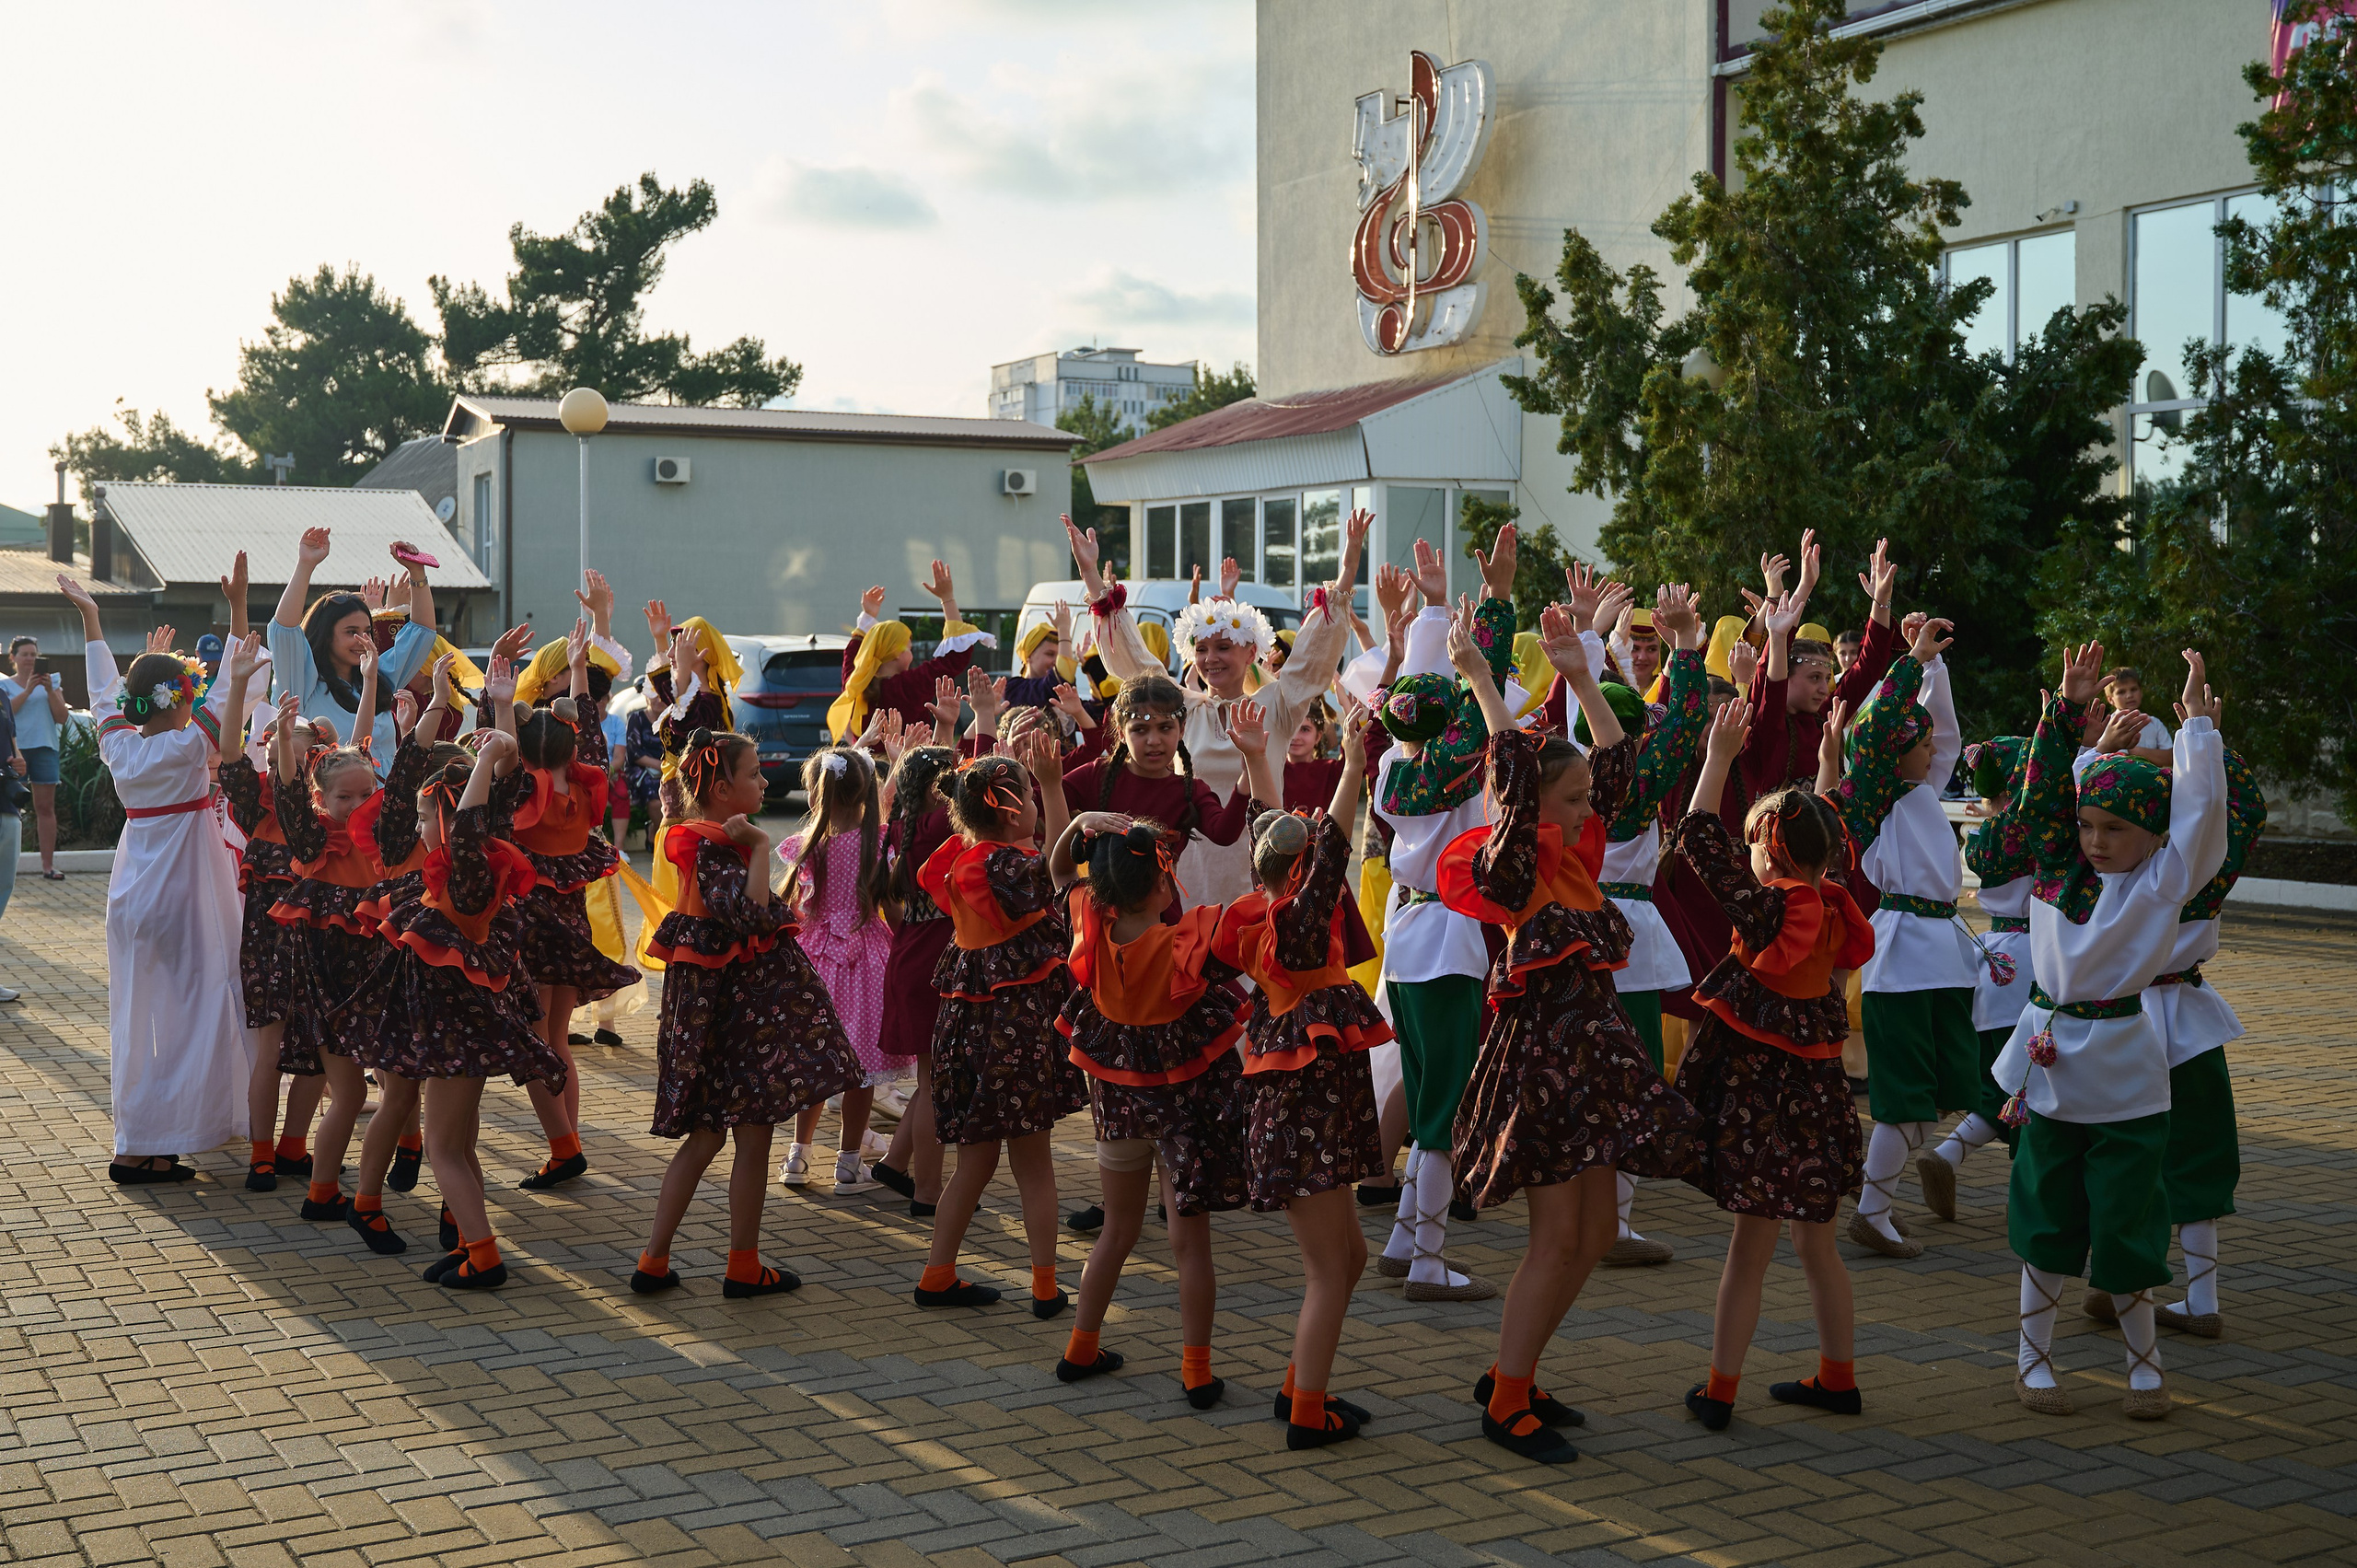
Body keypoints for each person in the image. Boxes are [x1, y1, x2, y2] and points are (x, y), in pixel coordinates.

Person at [1436, 598, 1701, 1462]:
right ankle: (1505, 1397)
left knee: (1591, 1236)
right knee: (1555, 1239)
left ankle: (1521, 1372)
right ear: (1533, 807)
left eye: (1588, 800)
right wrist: (1481, 678)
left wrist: (1584, 678)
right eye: (1574, 799)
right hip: (1542, 1072)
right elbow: (1514, 772)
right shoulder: (1511, 866)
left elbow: (1619, 768)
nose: (1593, 811)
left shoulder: (1579, 859)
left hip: (1588, 1066)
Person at [1990, 645, 2226, 1420]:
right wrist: (2066, 711)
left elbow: (2202, 821)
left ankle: (2145, 1364)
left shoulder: (2163, 881)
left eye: (2114, 827)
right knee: (2047, 1214)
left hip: (2126, 1063)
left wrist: (2195, 732)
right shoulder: (2058, 865)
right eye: (2087, 822)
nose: (2094, 838)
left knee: (2127, 1220)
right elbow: (2039, 801)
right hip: (2052, 1061)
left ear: (2152, 835)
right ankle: (2032, 1359)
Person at [1671, 703, 1875, 1433]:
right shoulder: (1828, 898)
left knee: (1747, 1250)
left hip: (1763, 1113)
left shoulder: (1768, 910)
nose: (1747, 853)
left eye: (1755, 842)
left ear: (1772, 851)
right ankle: (1837, 1375)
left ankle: (1720, 1388)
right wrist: (1827, 766)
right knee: (1817, 1247)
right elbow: (1824, 828)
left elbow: (1696, 837)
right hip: (1819, 1104)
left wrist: (1718, 759)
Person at [1367, 532, 1544, 1305]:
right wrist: (1496, 602)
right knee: (1442, 1103)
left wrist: (1439, 612)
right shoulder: (1447, 759)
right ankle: (1432, 1257)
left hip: (1408, 940)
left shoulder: (1392, 765)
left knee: (1424, 1083)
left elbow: (1431, 693)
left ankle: (1407, 1236)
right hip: (1444, 941)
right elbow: (1482, 718)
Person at [633, 728, 864, 1300]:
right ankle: (737, 1264)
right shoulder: (717, 847)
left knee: (710, 1139)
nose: (764, 781)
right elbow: (753, 913)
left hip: (720, 1023)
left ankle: (658, 1260)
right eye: (754, 774)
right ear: (720, 787)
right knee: (748, 1140)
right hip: (739, 1028)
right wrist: (761, 848)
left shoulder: (704, 842)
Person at [1210, 767, 1393, 1451]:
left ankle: (1300, 1384)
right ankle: (1308, 1413)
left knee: (1349, 1258)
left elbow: (1271, 833)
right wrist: (1350, 761)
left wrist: (1260, 763)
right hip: (1300, 1124)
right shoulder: (1295, 925)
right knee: (1328, 1270)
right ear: (1307, 874)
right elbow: (1332, 848)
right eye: (1317, 867)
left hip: (1316, 1121)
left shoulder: (1268, 909)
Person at [1047, 812, 1253, 1404]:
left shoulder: (1090, 917)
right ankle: (1195, 1370)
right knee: (1191, 1246)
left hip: (1117, 1106)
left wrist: (1080, 822)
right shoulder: (1183, 941)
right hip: (1183, 1115)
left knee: (1116, 1231)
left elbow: (1060, 869)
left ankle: (1082, 1347)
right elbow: (1252, 919)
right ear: (1164, 886)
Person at [1066, 510, 1364, 909]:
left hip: (1264, 861)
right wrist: (1092, 578)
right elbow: (1136, 665)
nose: (1211, 659)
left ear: (1251, 651)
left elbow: (1313, 656)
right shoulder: (1180, 707)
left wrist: (1346, 572)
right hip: (1189, 868)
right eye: (1202, 649)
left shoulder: (1275, 702)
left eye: (1223, 647)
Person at [63, 575, 254, 1183]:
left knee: (136, 1015)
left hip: (131, 889)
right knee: (196, 1009)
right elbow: (233, 692)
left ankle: (137, 1143)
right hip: (187, 888)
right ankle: (176, 1132)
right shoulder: (190, 746)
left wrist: (94, 621)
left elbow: (102, 690)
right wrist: (237, 609)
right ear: (180, 700)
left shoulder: (120, 746)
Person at [2082, 735, 2263, 1342]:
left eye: (2112, 825)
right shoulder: (2196, 873)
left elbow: (2051, 813)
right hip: (2188, 1022)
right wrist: (2204, 745)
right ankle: (2200, 1294)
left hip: (2120, 1024)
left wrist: (2096, 755)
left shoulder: (2092, 875)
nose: (2098, 839)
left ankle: (2120, 1284)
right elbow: (2241, 808)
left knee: (2118, 1157)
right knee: (2197, 1157)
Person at [339, 672, 519, 1260]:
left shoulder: (466, 853)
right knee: (398, 1099)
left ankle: (460, 1216)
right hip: (400, 983)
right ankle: (365, 1201)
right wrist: (442, 706)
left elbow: (502, 794)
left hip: (446, 989)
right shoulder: (398, 836)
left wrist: (499, 711)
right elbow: (417, 778)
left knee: (454, 1119)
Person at [911, 735, 1082, 1314]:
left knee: (975, 1163)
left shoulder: (965, 861)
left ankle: (937, 1274)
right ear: (1013, 810)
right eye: (1030, 798)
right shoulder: (1014, 867)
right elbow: (1061, 870)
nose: (1038, 804)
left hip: (965, 1032)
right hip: (1017, 1034)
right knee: (1034, 1162)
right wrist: (1057, 789)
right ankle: (1044, 1286)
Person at [1828, 618, 1978, 1258]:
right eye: (1917, 742)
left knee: (1934, 1097)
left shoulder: (1919, 788)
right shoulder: (1875, 795)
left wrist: (1934, 671)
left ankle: (1877, 1205)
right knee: (1904, 1098)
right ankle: (1873, 1209)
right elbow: (1879, 724)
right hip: (1905, 952)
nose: (1932, 748)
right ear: (1893, 751)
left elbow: (1940, 732)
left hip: (1939, 950)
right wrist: (1909, 660)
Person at [505, 621, 640, 1190]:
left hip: (534, 932)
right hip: (570, 928)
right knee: (556, 1038)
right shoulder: (583, 789)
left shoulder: (528, 794)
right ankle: (571, 1139)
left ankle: (564, 1149)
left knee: (538, 1043)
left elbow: (501, 751)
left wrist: (499, 694)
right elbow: (588, 733)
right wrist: (580, 671)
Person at [777, 744, 907, 1192]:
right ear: (868, 791)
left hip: (814, 959)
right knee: (862, 1065)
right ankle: (849, 1163)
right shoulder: (881, 841)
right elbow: (894, 909)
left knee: (817, 1059)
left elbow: (795, 908)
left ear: (816, 794)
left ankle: (798, 1155)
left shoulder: (809, 845)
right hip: (868, 959)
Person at [1917, 736, 2038, 1210]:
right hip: (2033, 963)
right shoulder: (2031, 828)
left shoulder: (1985, 835)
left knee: (1998, 1086)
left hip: (1993, 962)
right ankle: (2033, 1194)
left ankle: (1948, 1155)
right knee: (2031, 1089)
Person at [867, 737, 963, 1215]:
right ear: (937, 789)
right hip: (934, 954)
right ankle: (928, 1194)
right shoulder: (941, 822)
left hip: (911, 947)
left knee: (932, 1078)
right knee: (936, 1083)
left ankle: (895, 1162)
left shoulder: (899, 828)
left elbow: (888, 900)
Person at [267, 528, 438, 761]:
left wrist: (417, 572)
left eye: (367, 631)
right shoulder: (304, 685)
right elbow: (284, 631)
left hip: (385, 795)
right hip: (328, 795)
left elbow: (422, 632)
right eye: (351, 632)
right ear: (326, 636)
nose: (362, 640)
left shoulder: (379, 677)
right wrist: (306, 565)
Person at [830, 565, 995, 740]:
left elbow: (852, 657)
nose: (912, 654)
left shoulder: (856, 683)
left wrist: (867, 616)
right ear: (895, 653)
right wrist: (947, 599)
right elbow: (953, 659)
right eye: (909, 648)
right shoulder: (907, 686)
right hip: (907, 766)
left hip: (866, 766)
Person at [5, 635, 64, 883]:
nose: (30, 659)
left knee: (45, 808)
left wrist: (49, 690)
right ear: (13, 658)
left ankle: (48, 866)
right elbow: (8, 714)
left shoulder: (53, 682)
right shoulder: (5, 686)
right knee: (11, 810)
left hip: (45, 748)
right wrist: (29, 689)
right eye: (25, 654)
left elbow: (62, 717)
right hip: (14, 752)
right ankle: (9, 866)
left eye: (34, 654)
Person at [2100, 668, 2175, 763]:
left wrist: (2133, 751)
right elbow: (2114, 760)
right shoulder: (2107, 725)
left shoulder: (2155, 723)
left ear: (2141, 692)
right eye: (2121, 692)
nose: (2129, 695)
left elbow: (2170, 758)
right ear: (2110, 699)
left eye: (2133, 689)